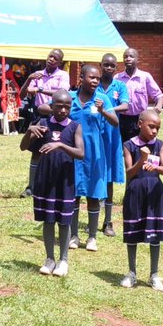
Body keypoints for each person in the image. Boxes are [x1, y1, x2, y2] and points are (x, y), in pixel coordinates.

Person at [22, 91, 83, 277]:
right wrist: (28, 132)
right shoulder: (43, 124)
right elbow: (23, 147)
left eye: (67, 106)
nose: (63, 110)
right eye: (59, 106)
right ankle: (49, 259)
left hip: (65, 179)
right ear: (51, 106)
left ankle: (63, 260)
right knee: (48, 220)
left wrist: (61, 146)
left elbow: (81, 153)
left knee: (64, 221)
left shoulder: (74, 127)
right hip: (46, 177)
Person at [69, 63, 118, 251]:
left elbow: (115, 122)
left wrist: (104, 109)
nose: (96, 81)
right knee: (74, 194)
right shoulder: (71, 97)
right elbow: (51, 110)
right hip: (72, 151)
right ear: (81, 78)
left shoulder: (102, 98)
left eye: (98, 78)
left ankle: (91, 237)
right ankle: (73, 235)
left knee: (93, 194)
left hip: (95, 153)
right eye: (92, 77)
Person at [120, 108, 163, 289]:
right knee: (133, 232)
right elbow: (129, 173)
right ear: (140, 124)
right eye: (151, 126)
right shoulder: (129, 145)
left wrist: (154, 167)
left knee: (154, 234)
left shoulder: (159, 144)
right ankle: (132, 272)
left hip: (154, 192)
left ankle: (154, 274)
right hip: (135, 191)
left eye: (157, 127)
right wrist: (141, 160)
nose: (154, 131)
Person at [21, 49, 68, 197]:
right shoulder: (38, 75)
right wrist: (29, 79)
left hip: (56, 116)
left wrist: (39, 89)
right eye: (50, 57)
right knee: (36, 151)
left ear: (60, 62)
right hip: (39, 117)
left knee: (56, 150)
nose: (51, 60)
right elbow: (23, 94)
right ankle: (31, 187)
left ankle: (54, 185)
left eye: (55, 58)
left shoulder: (63, 75)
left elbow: (62, 94)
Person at [97, 53, 131, 237]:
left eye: (112, 66)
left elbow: (125, 106)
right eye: (106, 65)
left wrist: (107, 109)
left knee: (109, 178)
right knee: (94, 174)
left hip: (111, 135)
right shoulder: (93, 84)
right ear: (100, 65)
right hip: (94, 135)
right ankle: (92, 218)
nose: (109, 68)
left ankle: (108, 221)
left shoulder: (120, 86)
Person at [113, 47, 163, 142]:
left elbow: (158, 96)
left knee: (141, 146)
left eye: (131, 56)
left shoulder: (145, 77)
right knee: (124, 146)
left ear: (137, 59)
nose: (128, 58)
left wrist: (158, 108)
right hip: (122, 118)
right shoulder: (117, 78)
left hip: (141, 118)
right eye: (125, 56)